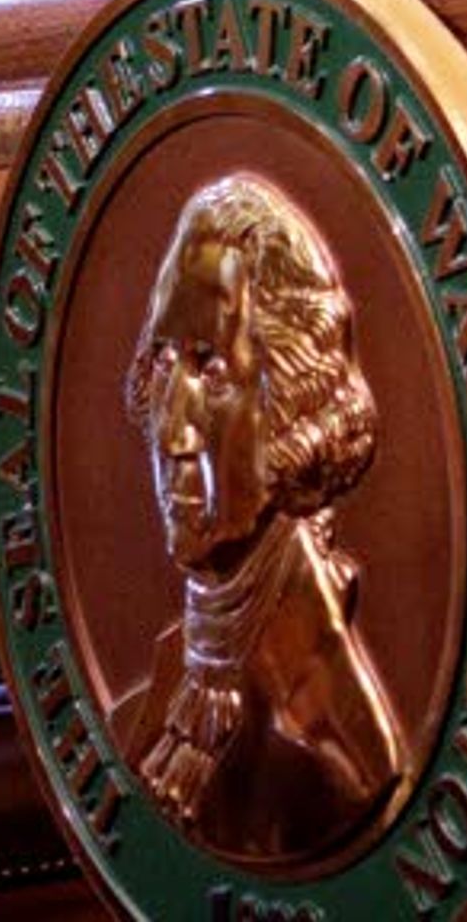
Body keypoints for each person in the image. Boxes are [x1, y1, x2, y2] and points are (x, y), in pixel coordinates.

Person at [111, 172, 406, 863]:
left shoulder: (335, 754)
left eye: (211, 371)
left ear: (292, 404)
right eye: (163, 364)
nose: (172, 430)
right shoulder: (155, 701)